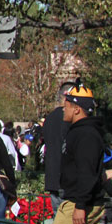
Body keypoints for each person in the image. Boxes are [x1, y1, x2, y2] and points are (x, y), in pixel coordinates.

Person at [54, 82, 105, 224]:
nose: (63, 108)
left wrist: (80, 205)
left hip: (78, 202)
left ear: (76, 109)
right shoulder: (81, 131)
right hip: (82, 200)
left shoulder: (86, 135)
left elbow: (86, 171)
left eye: (67, 105)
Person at [43, 81, 76, 213]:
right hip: (66, 179)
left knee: (59, 223)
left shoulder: (49, 119)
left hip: (52, 177)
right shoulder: (69, 119)